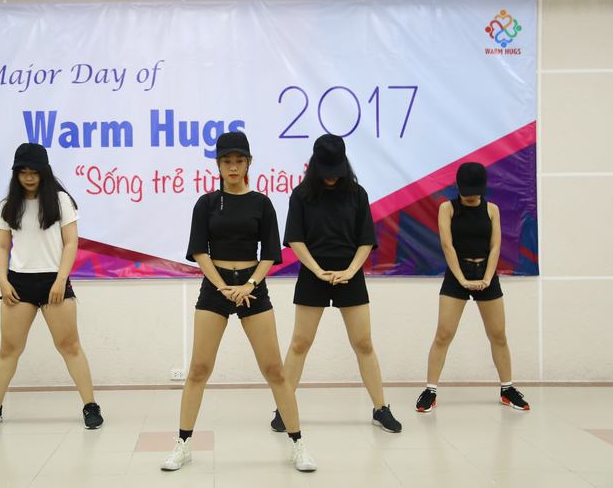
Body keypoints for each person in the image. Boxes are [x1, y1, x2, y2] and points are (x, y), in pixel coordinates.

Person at [161, 132, 316, 472]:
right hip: (215, 287)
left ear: (248, 163)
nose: (233, 167)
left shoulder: (261, 203)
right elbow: (199, 251)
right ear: (218, 165)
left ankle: (298, 444)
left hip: (252, 288)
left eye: (239, 161)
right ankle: (183, 444)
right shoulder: (206, 203)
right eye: (226, 161)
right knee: (199, 369)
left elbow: (270, 253)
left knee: (274, 370)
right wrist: (222, 286)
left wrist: (248, 285)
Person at [269, 134, 402, 434]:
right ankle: (283, 409)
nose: (331, 177)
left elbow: (366, 240)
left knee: (363, 343)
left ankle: (380, 408)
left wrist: (351, 270)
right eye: (326, 171)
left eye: (336, 171)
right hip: (312, 273)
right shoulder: (301, 195)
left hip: (349, 274)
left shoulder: (357, 194)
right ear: (316, 165)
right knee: (300, 343)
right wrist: (317, 270)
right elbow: (295, 239)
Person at [0, 143, 103, 430]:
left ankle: (90, 406)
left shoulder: (61, 201)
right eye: (23, 172)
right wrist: (3, 281)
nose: (29, 178)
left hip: (54, 280)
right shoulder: (7, 206)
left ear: (45, 172)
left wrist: (60, 280)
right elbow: (2, 246)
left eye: (34, 172)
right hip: (19, 283)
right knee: (9, 348)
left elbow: (71, 243)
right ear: (16, 173)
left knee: (69, 346)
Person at [415, 162, 530, 413]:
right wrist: (462, 279)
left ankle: (507, 388)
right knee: (444, 333)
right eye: (466, 192)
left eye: (475, 192)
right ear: (458, 187)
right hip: (457, 273)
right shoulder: (447, 208)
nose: (470, 197)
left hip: (486, 273)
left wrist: (487, 278)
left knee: (498, 334)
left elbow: (495, 246)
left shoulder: (492, 209)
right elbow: (447, 245)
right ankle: (430, 390)